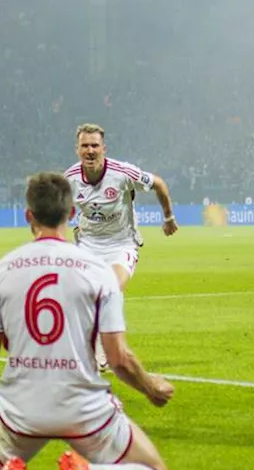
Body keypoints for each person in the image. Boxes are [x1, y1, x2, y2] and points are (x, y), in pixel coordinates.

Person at [0, 172, 172, 470]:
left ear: (28, 215)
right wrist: (150, 389)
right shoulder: (98, 271)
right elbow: (118, 357)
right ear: (72, 213)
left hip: (21, 410)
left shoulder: (1, 271)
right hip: (85, 409)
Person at [67, 123, 176, 369]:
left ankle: (103, 351)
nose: (90, 150)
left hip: (121, 244)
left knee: (110, 290)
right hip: (87, 245)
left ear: (104, 148)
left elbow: (158, 183)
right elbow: (58, 208)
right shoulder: (70, 179)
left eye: (95, 145)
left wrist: (168, 217)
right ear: (77, 150)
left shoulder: (122, 172)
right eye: (85, 146)